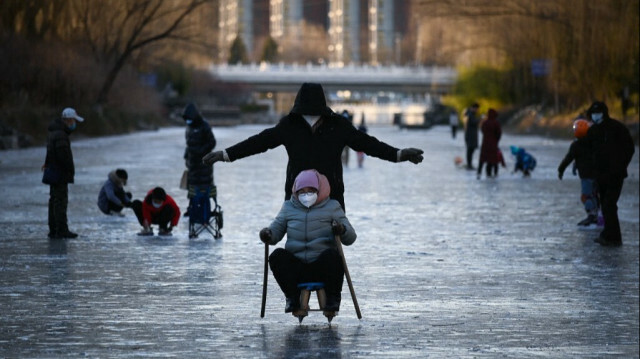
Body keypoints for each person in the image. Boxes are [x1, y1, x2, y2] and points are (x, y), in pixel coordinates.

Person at [202, 82, 424, 210]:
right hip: (322, 198)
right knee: (331, 253)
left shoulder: (294, 125)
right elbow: (368, 144)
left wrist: (398, 154)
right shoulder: (333, 125)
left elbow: (259, 142)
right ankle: (328, 292)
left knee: (299, 248)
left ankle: (299, 292)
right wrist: (398, 154)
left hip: (312, 197)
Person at [259, 169, 356, 315]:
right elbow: (275, 232)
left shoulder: (332, 207)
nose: (306, 195)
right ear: (295, 192)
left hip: (321, 266)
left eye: (310, 190)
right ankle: (292, 297)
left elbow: (351, 238)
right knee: (276, 256)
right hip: (297, 267)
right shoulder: (288, 207)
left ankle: (333, 299)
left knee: (333, 256)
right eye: (302, 191)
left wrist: (341, 229)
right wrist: (267, 234)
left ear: (319, 189)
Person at [584, 101, 635, 247]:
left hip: (615, 175)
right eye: (593, 113)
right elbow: (588, 152)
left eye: (598, 112)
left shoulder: (617, 128)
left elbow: (629, 148)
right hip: (600, 176)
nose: (595, 115)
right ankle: (609, 234)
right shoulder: (592, 132)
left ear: (604, 113)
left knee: (609, 204)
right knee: (607, 205)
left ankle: (613, 237)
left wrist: (621, 165)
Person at [43, 107, 84, 239]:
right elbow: (63, 156)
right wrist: (69, 170)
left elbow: (50, 152)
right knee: (60, 201)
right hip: (59, 173)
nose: (74, 124)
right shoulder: (61, 134)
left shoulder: (54, 132)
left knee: (54, 200)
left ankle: (54, 229)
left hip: (54, 171)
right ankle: (61, 230)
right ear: (69, 120)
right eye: (74, 120)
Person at [558, 118, 600, 227]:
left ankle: (592, 216)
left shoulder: (576, 145)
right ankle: (597, 214)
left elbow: (568, 158)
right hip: (598, 174)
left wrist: (560, 169)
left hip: (586, 176)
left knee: (585, 196)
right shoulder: (594, 142)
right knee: (594, 194)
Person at [183, 103, 217, 189]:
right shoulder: (188, 127)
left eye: (189, 119)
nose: (188, 121)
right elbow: (188, 143)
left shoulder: (205, 126)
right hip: (192, 165)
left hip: (204, 165)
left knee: (204, 192)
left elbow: (212, 142)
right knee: (193, 194)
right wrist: (186, 155)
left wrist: (200, 151)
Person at [477, 109, 502, 179]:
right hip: (493, 144)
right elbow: (499, 133)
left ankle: (479, 173)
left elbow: (482, 130)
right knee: (492, 160)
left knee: (482, 159)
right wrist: (496, 140)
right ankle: (490, 173)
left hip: (485, 143)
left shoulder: (484, 123)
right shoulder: (496, 123)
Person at [464, 103, 480, 170]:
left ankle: (469, 164)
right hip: (470, 135)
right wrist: (480, 119)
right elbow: (473, 122)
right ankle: (469, 165)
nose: (477, 110)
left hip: (470, 135)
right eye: (476, 109)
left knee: (470, 150)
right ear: (473, 108)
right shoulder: (470, 115)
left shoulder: (469, 114)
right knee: (470, 150)